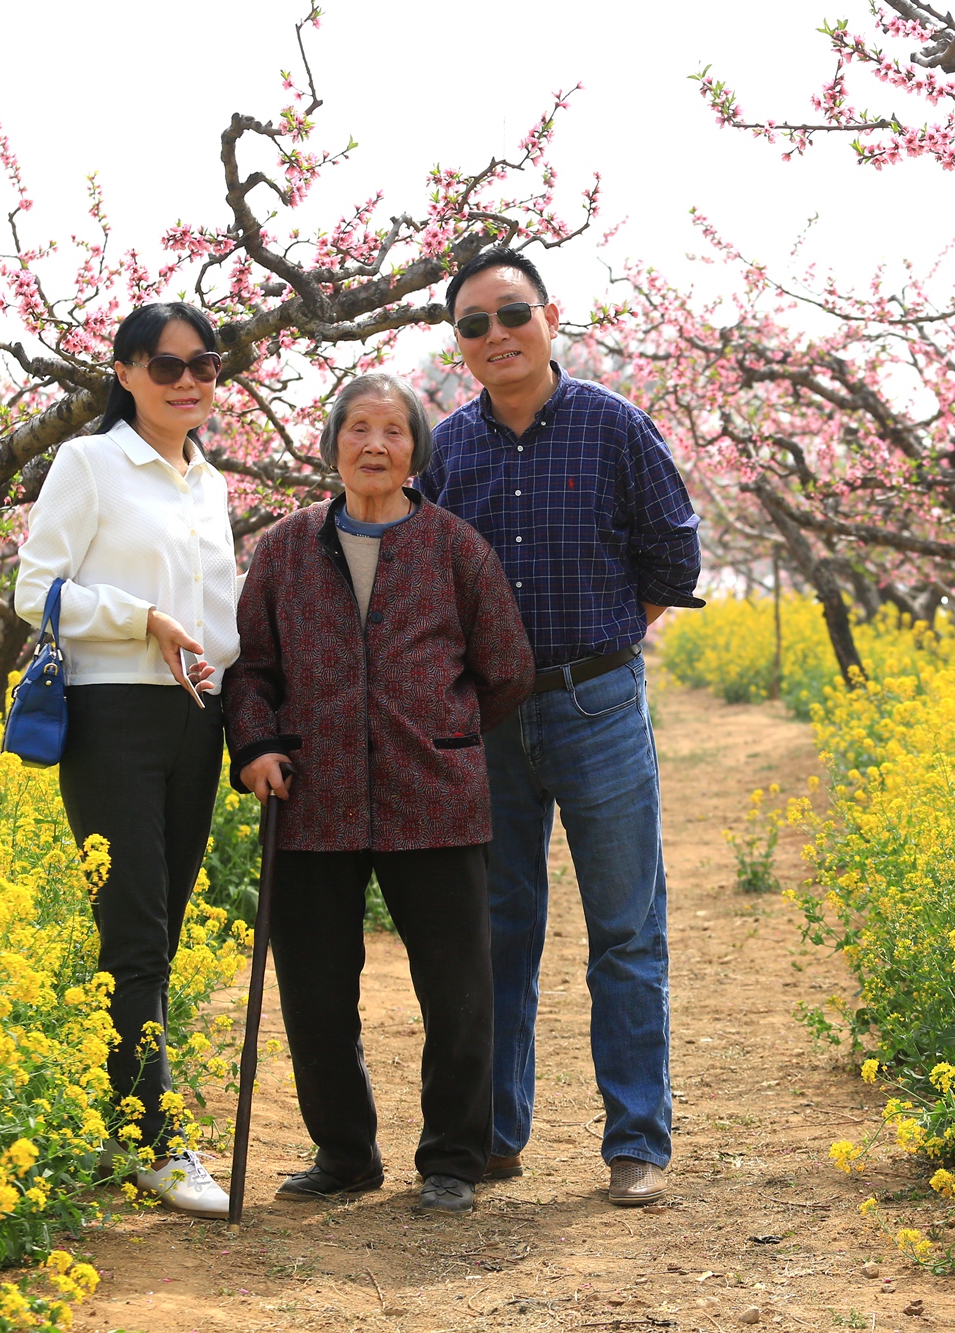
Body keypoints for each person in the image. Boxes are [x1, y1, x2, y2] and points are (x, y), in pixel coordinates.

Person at [419, 248, 704, 1207]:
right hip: (488, 717)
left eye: (511, 314)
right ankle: (496, 1134)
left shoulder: (615, 425)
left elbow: (674, 553)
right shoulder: (446, 449)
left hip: (598, 704)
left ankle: (636, 1141)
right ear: (458, 343)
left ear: (549, 317)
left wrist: (606, 646)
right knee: (499, 932)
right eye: (473, 324)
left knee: (625, 929)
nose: (495, 334)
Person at [225, 371, 534, 1215]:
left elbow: (505, 666)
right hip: (312, 796)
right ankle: (346, 1153)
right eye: (357, 428)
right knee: (318, 993)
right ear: (332, 446)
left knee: (459, 991)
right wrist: (254, 743)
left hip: (432, 793)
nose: (374, 445)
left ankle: (453, 1158)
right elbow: (251, 667)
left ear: (415, 451)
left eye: (393, 431)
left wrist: (444, 730)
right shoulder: (287, 547)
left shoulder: (456, 547)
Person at [15, 301, 239, 1218]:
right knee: (136, 930)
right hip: (112, 716)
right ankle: (153, 1138)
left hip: (199, 720)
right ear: (127, 371)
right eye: (166, 365)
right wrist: (139, 618)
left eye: (205, 365)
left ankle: (124, 1115)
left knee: (163, 929)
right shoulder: (91, 462)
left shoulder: (210, 481)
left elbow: (221, 614)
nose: (188, 381)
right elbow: (36, 589)